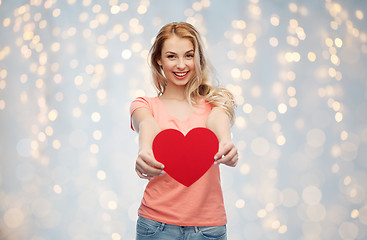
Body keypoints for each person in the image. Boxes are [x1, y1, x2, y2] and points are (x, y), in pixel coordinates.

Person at [130, 22, 238, 240]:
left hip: (209, 228)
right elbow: (147, 124)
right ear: (158, 60)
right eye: (171, 56)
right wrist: (144, 150)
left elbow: (218, 118)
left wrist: (226, 141)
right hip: (156, 226)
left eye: (188, 55)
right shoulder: (144, 104)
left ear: (197, 59)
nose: (181, 65)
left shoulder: (216, 102)